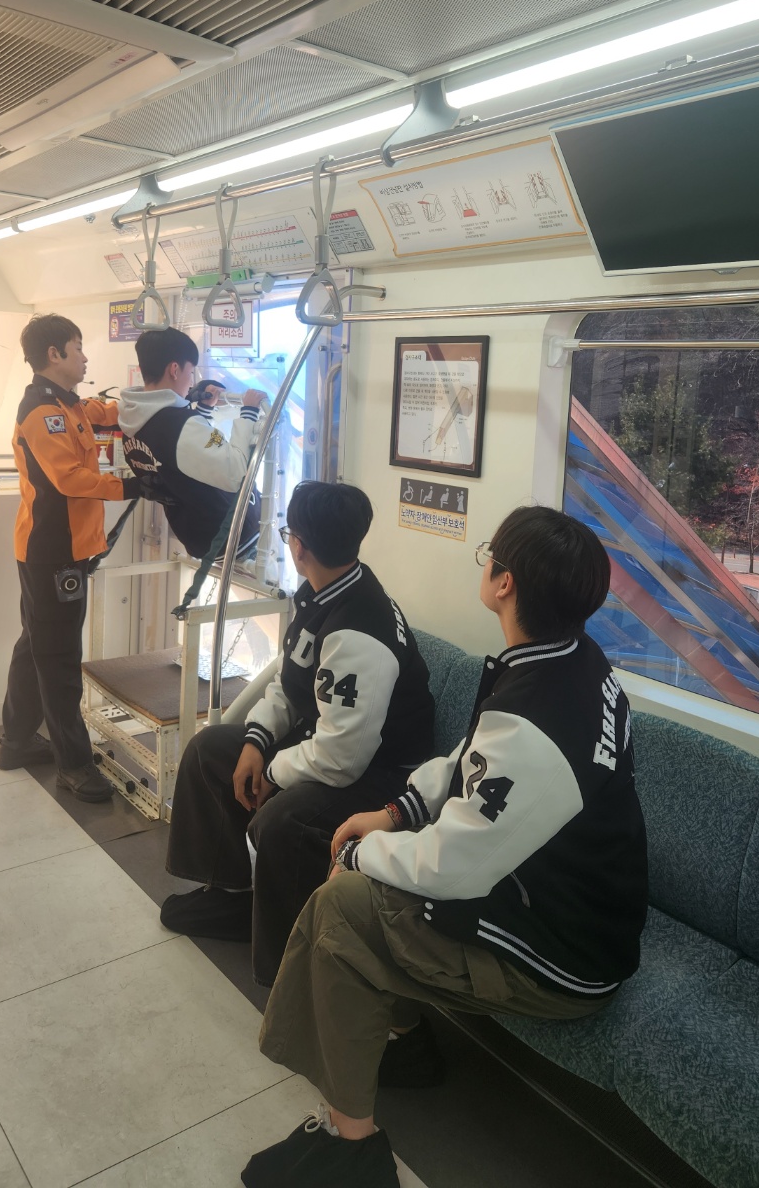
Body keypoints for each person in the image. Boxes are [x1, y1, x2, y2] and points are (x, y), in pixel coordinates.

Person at [243, 507, 649, 1188]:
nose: (485, 564)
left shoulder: (538, 718)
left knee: (342, 905)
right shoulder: (571, 661)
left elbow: (454, 867)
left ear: (505, 582)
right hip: (568, 899)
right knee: (367, 888)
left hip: (563, 953)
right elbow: (472, 756)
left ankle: (353, 1146)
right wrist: (395, 812)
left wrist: (357, 855)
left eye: (490, 553)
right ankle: (399, 1046)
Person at [161, 480, 437, 987]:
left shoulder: (358, 631)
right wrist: (256, 742)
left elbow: (343, 759)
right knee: (209, 751)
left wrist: (272, 772)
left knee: (284, 821)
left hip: (382, 773)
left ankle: (288, 959)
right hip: (330, 741)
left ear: (299, 546)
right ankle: (233, 895)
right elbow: (291, 683)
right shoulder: (320, 593)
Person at [0, 314, 142, 802]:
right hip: (53, 552)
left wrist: (155, 400)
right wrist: (132, 485)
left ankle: (16, 741)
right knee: (59, 658)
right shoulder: (43, 412)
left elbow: (104, 411)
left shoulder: (68, 403)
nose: (84, 357)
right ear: (54, 354)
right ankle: (75, 766)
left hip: (60, 549)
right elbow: (70, 479)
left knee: (35, 643)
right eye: (77, 348)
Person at [118, 328, 265, 562]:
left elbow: (183, 458)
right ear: (174, 370)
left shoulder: (131, 425)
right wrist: (249, 412)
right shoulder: (179, 425)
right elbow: (238, 472)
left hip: (196, 537)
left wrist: (204, 411)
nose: (192, 381)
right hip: (233, 537)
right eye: (191, 371)